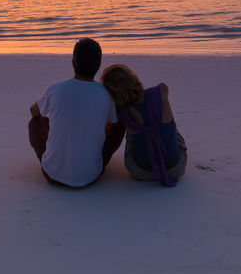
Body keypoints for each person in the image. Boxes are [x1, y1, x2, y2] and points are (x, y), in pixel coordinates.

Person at [28, 38, 125, 188]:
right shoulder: (106, 94)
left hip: (53, 174)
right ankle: (90, 159)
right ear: (98, 65)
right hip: (91, 175)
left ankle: (59, 159)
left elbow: (33, 111)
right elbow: (114, 122)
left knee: (35, 122)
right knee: (117, 125)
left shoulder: (56, 89)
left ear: (73, 62)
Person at [100, 63, 187, 187]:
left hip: (140, 171)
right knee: (168, 124)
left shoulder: (121, 111)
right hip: (175, 168)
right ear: (132, 77)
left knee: (131, 132)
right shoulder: (162, 90)